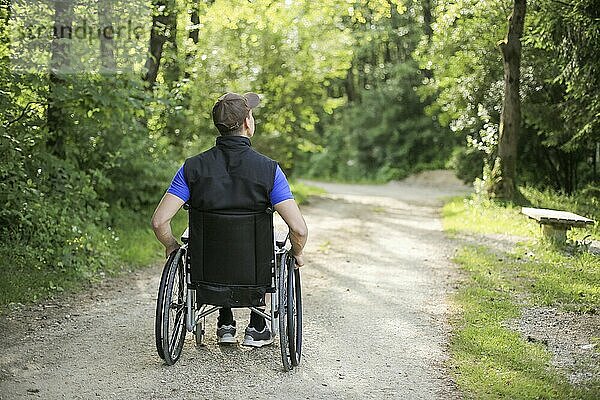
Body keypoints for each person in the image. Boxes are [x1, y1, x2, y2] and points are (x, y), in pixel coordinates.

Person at [151, 92, 308, 347]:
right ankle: (257, 326)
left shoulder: (192, 168)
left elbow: (159, 222)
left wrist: (171, 246)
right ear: (247, 122)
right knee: (271, 245)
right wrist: (297, 251)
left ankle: (225, 322)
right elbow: (298, 230)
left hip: (206, 276)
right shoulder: (268, 170)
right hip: (254, 275)